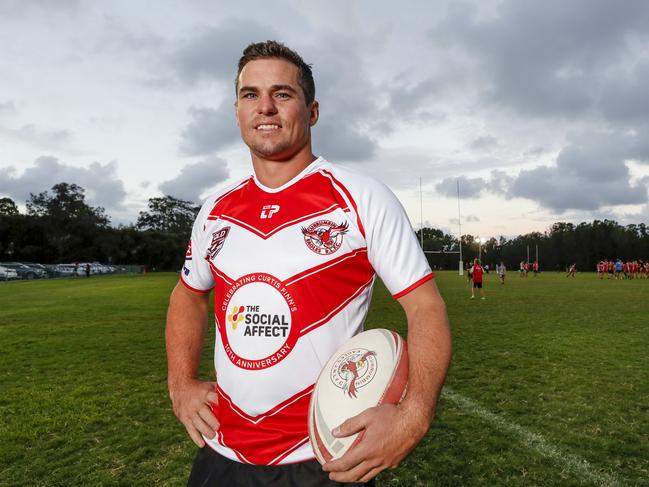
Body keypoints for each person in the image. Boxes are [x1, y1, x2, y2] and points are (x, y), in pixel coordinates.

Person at [165, 40, 452, 487]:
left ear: (312, 110)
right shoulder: (215, 211)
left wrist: (413, 417)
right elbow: (187, 295)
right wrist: (180, 384)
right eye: (249, 95)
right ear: (237, 111)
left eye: (282, 94)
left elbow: (426, 308)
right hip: (221, 453)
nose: (265, 107)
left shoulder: (361, 198)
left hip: (325, 457)